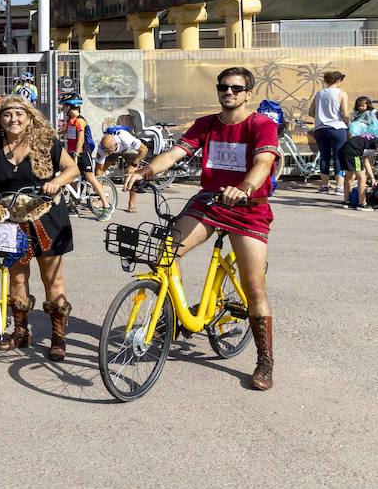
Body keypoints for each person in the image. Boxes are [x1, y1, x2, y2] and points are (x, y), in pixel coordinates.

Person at [126, 66, 281, 391]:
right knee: (166, 251)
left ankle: (264, 360)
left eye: (236, 88)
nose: (229, 92)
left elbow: (263, 163)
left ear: (248, 93)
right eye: (223, 87)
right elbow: (175, 153)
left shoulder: (261, 125)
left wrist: (246, 188)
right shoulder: (206, 124)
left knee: (254, 287)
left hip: (247, 209)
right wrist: (146, 172)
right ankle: (178, 317)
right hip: (209, 202)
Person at [0, 95, 79, 359]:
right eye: (7, 115)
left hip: (46, 217)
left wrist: (57, 182)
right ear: (0, 119)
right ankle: (20, 331)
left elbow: (72, 168)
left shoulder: (45, 143)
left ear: (29, 117)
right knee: (17, 277)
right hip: (11, 219)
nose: (14, 119)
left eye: (19, 114)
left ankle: (58, 336)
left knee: (51, 279)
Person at [61, 94, 111, 216]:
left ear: (69, 106)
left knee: (90, 178)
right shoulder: (71, 121)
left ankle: (105, 205)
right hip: (73, 153)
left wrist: (76, 156)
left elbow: (81, 140)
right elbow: (66, 131)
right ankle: (73, 206)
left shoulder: (79, 120)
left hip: (82, 153)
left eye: (64, 106)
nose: (62, 109)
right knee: (71, 178)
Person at [310, 70, 349, 194]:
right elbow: (345, 113)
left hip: (320, 129)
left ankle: (324, 186)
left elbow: (311, 112)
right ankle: (339, 186)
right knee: (339, 156)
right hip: (337, 128)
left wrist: (322, 115)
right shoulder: (342, 93)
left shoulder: (319, 93)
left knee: (324, 157)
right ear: (338, 80)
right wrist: (349, 122)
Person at [94, 126, 148, 213]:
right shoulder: (102, 148)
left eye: (109, 150)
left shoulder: (126, 139)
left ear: (115, 144)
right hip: (114, 148)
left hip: (127, 148)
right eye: (106, 151)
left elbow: (144, 150)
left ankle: (132, 203)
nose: (107, 152)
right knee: (100, 171)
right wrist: (97, 183)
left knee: (133, 173)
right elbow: (99, 170)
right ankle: (101, 199)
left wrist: (134, 165)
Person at [339, 130, 377, 209]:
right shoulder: (374, 142)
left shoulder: (369, 142)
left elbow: (366, 161)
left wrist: (372, 178)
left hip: (344, 149)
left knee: (349, 177)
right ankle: (362, 204)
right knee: (362, 178)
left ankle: (347, 202)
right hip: (353, 151)